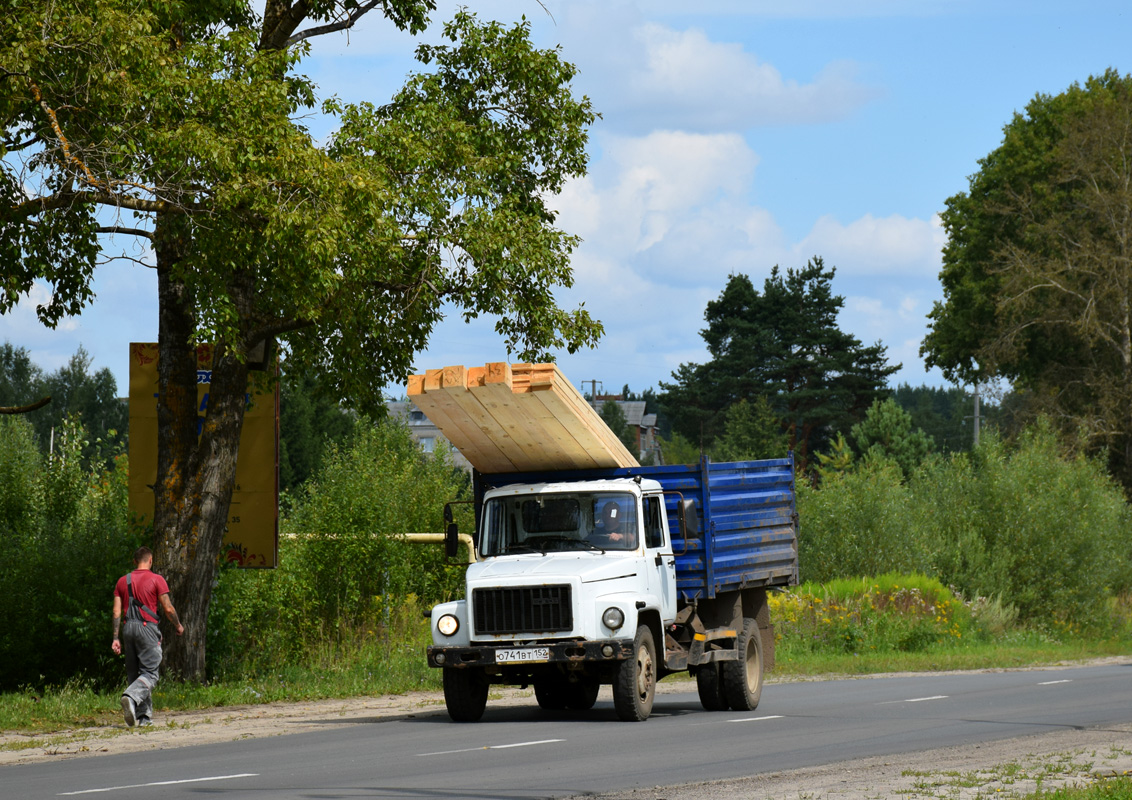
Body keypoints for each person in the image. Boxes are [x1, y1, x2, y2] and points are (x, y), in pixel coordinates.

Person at [111, 546, 183, 727]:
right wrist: (178, 625)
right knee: (150, 674)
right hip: (147, 628)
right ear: (150, 560)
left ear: (134, 561)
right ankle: (131, 696)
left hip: (128, 629)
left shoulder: (122, 581)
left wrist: (115, 637)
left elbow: (116, 611)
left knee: (136, 674)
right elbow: (167, 608)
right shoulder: (157, 579)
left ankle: (144, 718)